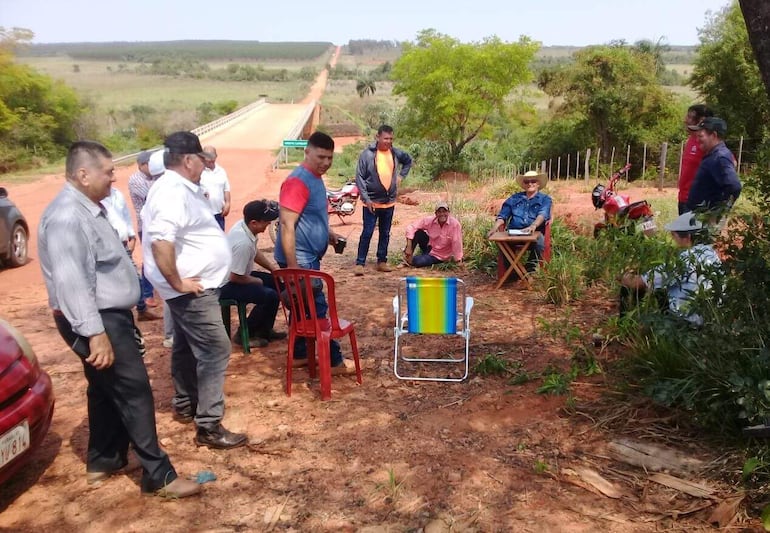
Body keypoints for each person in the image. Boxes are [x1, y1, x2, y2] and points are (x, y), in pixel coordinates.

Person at [38, 140, 200, 498]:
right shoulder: (67, 217)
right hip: (97, 318)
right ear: (83, 174)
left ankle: (104, 459)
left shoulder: (87, 209)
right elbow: (72, 282)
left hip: (103, 316)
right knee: (134, 391)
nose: (114, 179)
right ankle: (158, 475)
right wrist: (95, 333)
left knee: (103, 388)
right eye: (108, 172)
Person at [141, 131, 247, 450]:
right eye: (201, 160)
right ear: (188, 160)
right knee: (215, 349)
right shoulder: (172, 191)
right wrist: (177, 283)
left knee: (186, 347)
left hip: (194, 287)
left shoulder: (179, 188)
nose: (204, 165)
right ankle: (209, 425)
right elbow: (161, 241)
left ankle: (186, 404)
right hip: (192, 290)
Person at [274, 131, 356, 374]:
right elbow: (287, 225)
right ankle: (333, 361)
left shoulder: (315, 178)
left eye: (329, 158)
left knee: (304, 309)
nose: (326, 163)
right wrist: (294, 269)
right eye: (321, 157)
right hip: (300, 258)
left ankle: (300, 354)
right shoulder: (297, 181)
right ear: (307, 152)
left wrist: (329, 235)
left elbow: (312, 216)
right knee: (318, 309)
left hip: (308, 256)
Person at [619, 211, 721, 326]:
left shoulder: (683, 261)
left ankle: (627, 326)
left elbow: (637, 283)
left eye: (674, 235)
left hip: (688, 322)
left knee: (644, 290)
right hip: (712, 319)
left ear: (687, 237)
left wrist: (624, 276)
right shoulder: (711, 253)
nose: (673, 239)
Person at [219, 200, 287, 347]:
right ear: (254, 222)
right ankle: (245, 334)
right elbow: (235, 277)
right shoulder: (242, 242)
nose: (268, 224)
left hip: (238, 275)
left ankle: (264, 330)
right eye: (266, 222)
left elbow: (254, 252)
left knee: (277, 283)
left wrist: (272, 269)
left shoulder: (244, 227)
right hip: (226, 284)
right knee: (269, 295)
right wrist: (256, 281)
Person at [354, 125, 413, 275]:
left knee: (385, 233)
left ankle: (382, 261)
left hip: (389, 202)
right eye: (386, 138)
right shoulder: (367, 154)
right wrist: (366, 198)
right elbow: (359, 177)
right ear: (378, 137)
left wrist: (401, 176)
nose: (388, 141)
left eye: (391, 139)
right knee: (367, 232)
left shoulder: (395, 152)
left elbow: (408, 161)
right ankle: (360, 263)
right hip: (371, 202)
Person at [102, 174, 161, 322]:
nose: (113, 178)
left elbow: (125, 217)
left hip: (124, 244)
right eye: (108, 174)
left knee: (136, 278)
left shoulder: (116, 194)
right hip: (109, 246)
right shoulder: (97, 200)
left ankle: (141, 310)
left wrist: (131, 235)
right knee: (115, 282)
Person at [488, 170, 552, 271]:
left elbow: (543, 215)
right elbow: (502, 216)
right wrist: (494, 228)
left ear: (538, 183)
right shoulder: (514, 198)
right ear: (523, 184)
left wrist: (533, 226)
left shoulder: (545, 199)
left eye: (533, 181)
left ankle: (527, 271)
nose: (530, 184)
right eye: (527, 182)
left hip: (534, 233)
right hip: (514, 233)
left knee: (540, 243)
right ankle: (513, 272)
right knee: (502, 243)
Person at [147, 149, 176, 348]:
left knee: (171, 298)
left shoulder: (157, 190)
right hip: (169, 262)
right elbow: (162, 240)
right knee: (173, 297)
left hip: (164, 262)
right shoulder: (166, 192)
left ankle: (173, 334)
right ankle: (172, 335)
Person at [686, 116, 742, 216]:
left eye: (701, 136)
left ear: (714, 135)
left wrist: (717, 213)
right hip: (697, 216)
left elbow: (734, 186)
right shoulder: (712, 155)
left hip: (703, 220)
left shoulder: (720, 157)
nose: (697, 140)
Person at [127, 150, 160, 308]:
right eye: (150, 164)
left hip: (157, 223)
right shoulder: (135, 180)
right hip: (145, 226)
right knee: (149, 259)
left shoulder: (154, 178)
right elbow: (153, 196)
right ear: (142, 165)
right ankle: (147, 294)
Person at [403, 201, 463, 267]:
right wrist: (409, 246)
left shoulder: (455, 224)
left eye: (444, 211)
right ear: (436, 213)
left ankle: (412, 260)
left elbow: (456, 242)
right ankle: (407, 258)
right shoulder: (430, 220)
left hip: (440, 255)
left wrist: (458, 260)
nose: (442, 214)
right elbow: (411, 227)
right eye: (439, 212)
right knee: (417, 232)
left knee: (418, 262)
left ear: (448, 212)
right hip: (430, 247)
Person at [678, 104, 713, 215]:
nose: (685, 120)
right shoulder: (692, 139)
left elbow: (730, 163)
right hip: (684, 199)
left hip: (699, 202)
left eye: (689, 117)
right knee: (681, 232)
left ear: (701, 120)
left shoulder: (707, 143)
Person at [200, 145, 231, 230]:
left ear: (216, 156)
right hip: (203, 215)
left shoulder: (221, 171)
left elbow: (226, 188)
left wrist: (227, 203)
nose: (210, 159)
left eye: (212, 156)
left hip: (219, 214)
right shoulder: (198, 171)